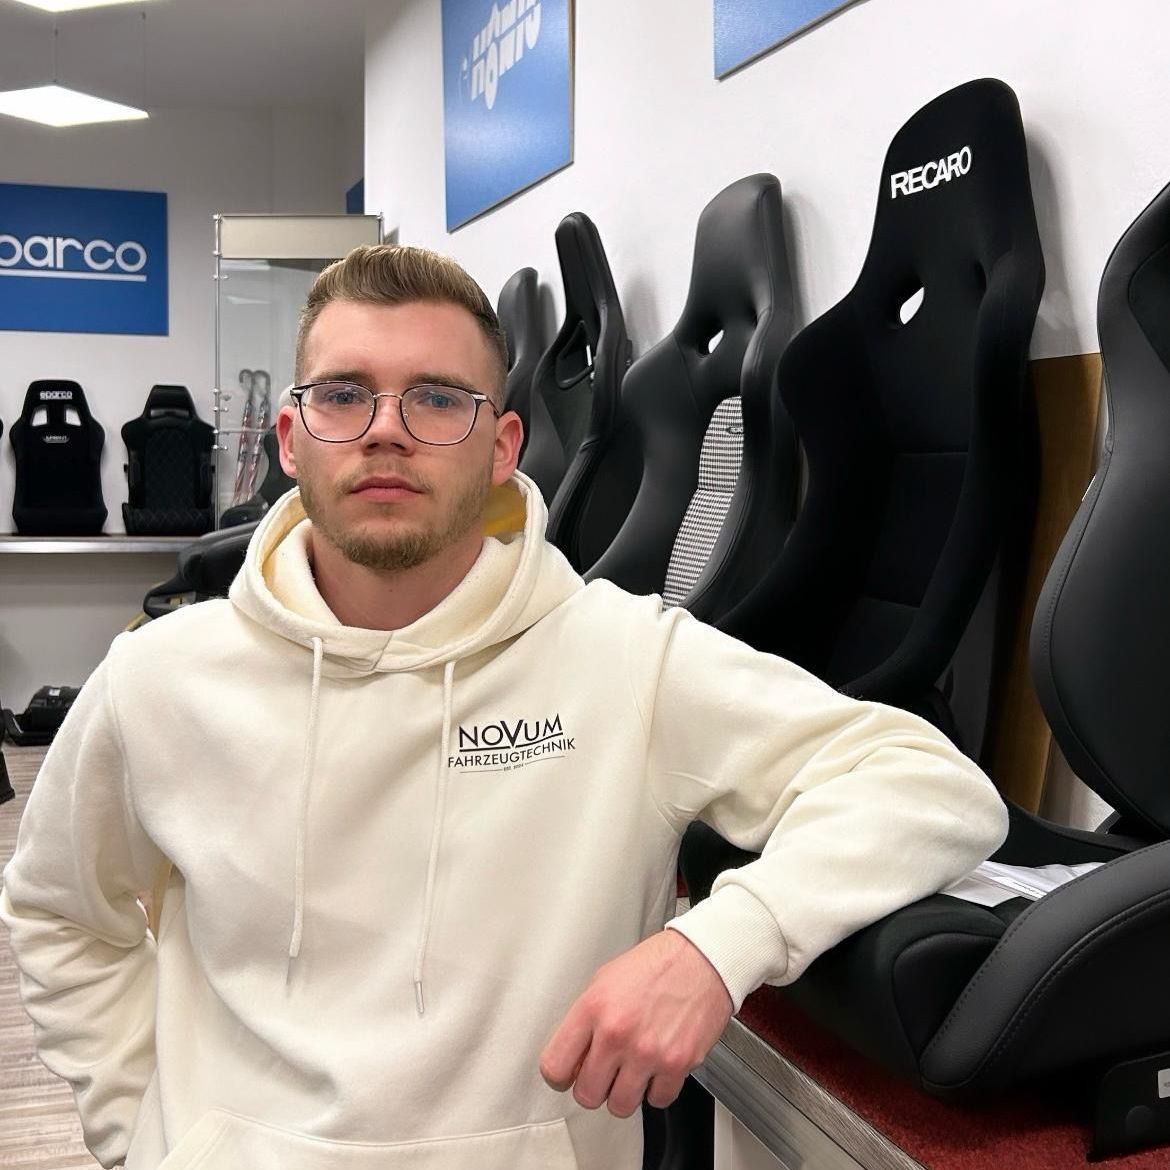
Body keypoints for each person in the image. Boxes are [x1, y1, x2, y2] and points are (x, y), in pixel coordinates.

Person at [0, 245, 1007, 1170]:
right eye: (344, 395)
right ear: (292, 440)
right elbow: (59, 915)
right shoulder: (161, 679)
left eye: (437, 399)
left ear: (501, 445)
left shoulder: (625, 660)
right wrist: (143, 1136)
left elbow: (927, 786)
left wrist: (717, 946)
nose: (386, 429)